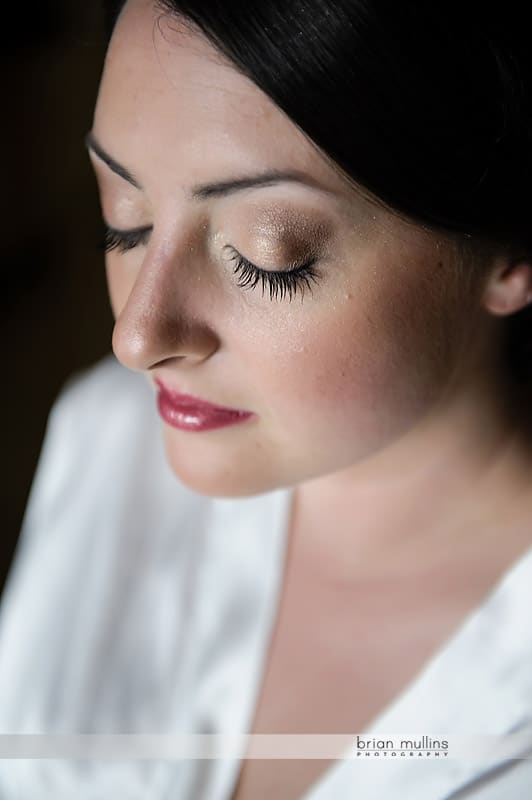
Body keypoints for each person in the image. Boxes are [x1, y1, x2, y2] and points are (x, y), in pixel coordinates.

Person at [1, 0, 531, 797]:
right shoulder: (106, 439)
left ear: (509, 253)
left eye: (265, 256)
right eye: (125, 221)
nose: (137, 339)